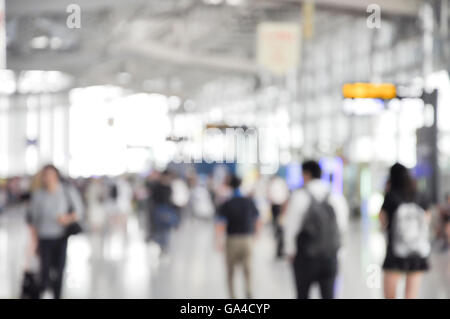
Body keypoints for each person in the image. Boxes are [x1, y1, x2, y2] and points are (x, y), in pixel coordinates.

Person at [284, 160, 349, 299]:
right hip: (330, 256)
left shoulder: (300, 196)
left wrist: (290, 251)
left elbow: (291, 226)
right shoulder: (335, 196)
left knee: (302, 295)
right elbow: (342, 226)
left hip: (305, 257)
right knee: (329, 295)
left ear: (306, 174)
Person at [27, 164, 83, 299]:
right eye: (46, 175)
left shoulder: (66, 191)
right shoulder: (38, 195)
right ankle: (46, 293)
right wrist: (33, 244)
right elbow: (33, 221)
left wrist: (67, 218)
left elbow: (79, 212)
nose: (49, 178)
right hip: (44, 238)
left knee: (59, 271)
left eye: (51, 175)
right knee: (44, 272)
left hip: (61, 237)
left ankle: (57, 295)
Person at [379, 163, 431, 299]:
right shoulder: (419, 194)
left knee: (390, 295)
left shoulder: (391, 196)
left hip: (395, 251)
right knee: (411, 296)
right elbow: (427, 219)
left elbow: (382, 221)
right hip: (417, 251)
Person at [215, 174, 261, 299]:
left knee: (230, 271)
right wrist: (257, 234)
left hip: (232, 240)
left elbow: (220, 224)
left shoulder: (227, 203)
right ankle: (249, 293)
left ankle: (232, 297)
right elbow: (257, 219)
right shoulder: (249, 201)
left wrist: (218, 241)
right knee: (248, 270)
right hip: (247, 239)